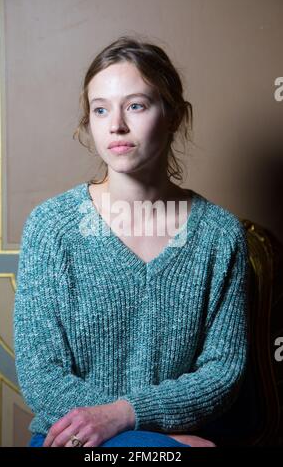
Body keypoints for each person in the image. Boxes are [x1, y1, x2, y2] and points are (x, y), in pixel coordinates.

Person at [13, 35, 249, 448]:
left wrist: (128, 416)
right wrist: (152, 441)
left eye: (135, 105)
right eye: (100, 109)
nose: (116, 125)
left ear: (173, 115)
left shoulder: (218, 234)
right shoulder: (52, 227)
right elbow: (41, 376)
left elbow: (222, 372)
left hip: (177, 438)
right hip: (76, 439)